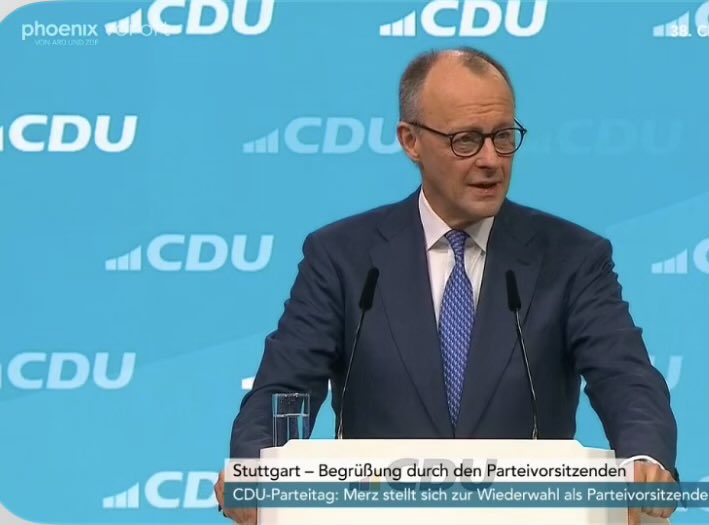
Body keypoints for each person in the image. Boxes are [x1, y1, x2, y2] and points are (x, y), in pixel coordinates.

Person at [215, 47, 679, 525]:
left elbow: (625, 378)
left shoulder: (572, 258)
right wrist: (256, 466)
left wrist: (644, 459)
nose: (491, 160)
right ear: (411, 141)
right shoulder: (343, 257)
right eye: (466, 140)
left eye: (503, 136)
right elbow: (286, 387)